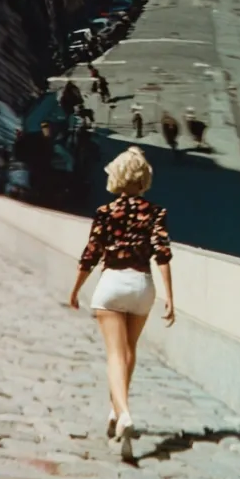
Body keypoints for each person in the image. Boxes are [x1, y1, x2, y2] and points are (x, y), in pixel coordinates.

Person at [68, 147, 175, 462]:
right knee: (129, 352)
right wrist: (170, 297)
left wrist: (75, 290)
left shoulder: (105, 212)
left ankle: (124, 412)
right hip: (143, 286)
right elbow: (163, 254)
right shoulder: (155, 212)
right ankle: (115, 412)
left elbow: (91, 254)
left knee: (115, 355)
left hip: (113, 283)